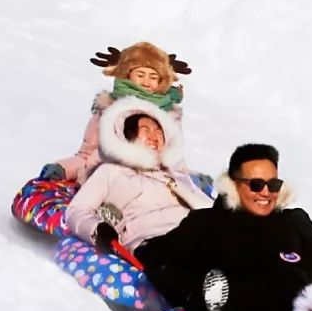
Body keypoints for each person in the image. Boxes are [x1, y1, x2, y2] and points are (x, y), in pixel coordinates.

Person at [136, 144, 312, 311]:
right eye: (256, 185)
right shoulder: (206, 224)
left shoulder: (294, 221)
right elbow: (157, 259)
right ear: (233, 184)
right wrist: (195, 292)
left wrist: (303, 278)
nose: (266, 193)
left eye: (274, 184)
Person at [63, 97, 211, 255]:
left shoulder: (177, 176)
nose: (154, 136)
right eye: (146, 130)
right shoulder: (111, 172)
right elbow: (76, 210)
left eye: (159, 132)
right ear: (129, 135)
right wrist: (97, 228)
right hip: (153, 240)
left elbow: (212, 210)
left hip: (197, 234)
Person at [41, 42, 190, 186]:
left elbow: (175, 161)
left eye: (153, 77)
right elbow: (87, 154)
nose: (146, 82)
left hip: (156, 183)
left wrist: (191, 182)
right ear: (127, 75)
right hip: (108, 180)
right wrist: (63, 169)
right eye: (140, 75)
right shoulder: (109, 108)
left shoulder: (168, 115)